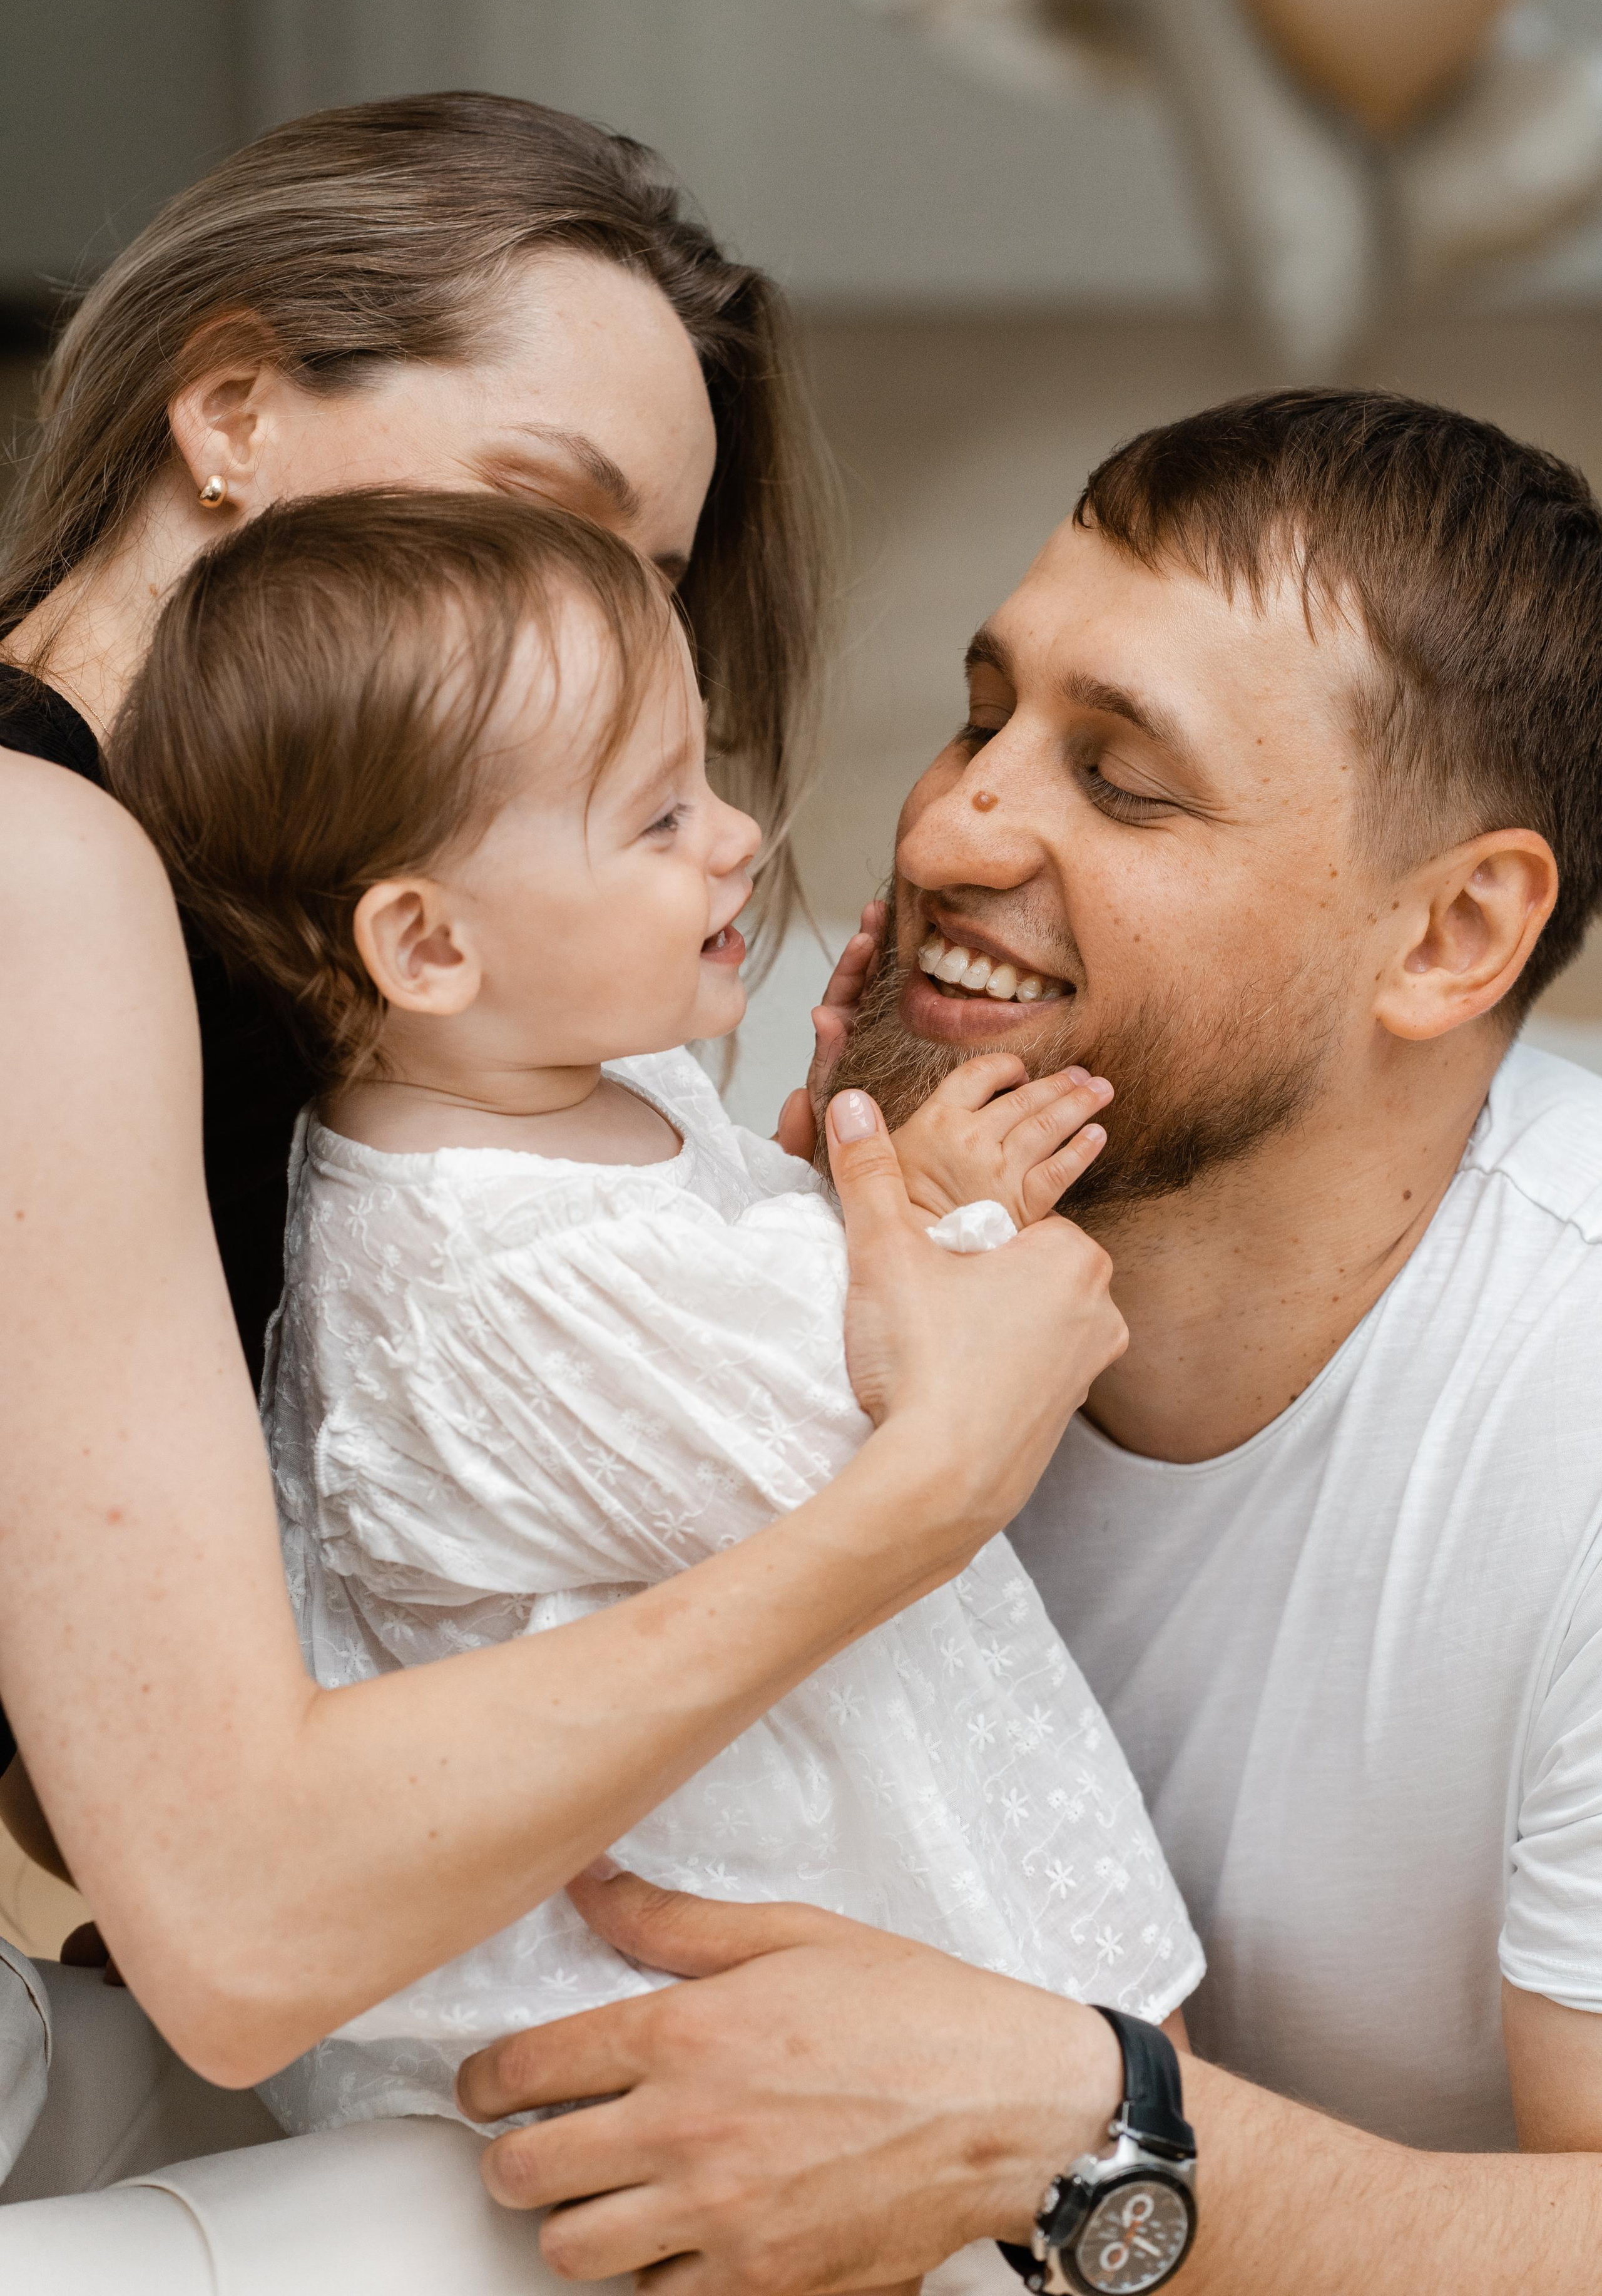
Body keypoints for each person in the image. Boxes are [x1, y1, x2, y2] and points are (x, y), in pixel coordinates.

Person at [0, 95, 1124, 2287]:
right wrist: (917, 1489)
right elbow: (229, 1919)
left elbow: (96, 1770)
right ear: (225, 409)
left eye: (650, 578)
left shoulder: (236, 974)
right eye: (547, 506)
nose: (596, 621)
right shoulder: (38, 873)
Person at [461, 389, 1602, 2296]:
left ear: (1451, 937)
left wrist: (1080, 2137)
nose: (956, 819)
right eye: (987, 713)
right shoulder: (799, 1166)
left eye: (1125, 779)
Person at [106, 486, 1191, 2228]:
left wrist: (839, 1171)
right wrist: (953, 1224)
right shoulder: (485, 1265)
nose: (740, 834)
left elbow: (730, 1272)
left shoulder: (566, 1080)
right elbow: (877, 1425)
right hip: (664, 2039)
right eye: (659, 813)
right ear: (431, 946)